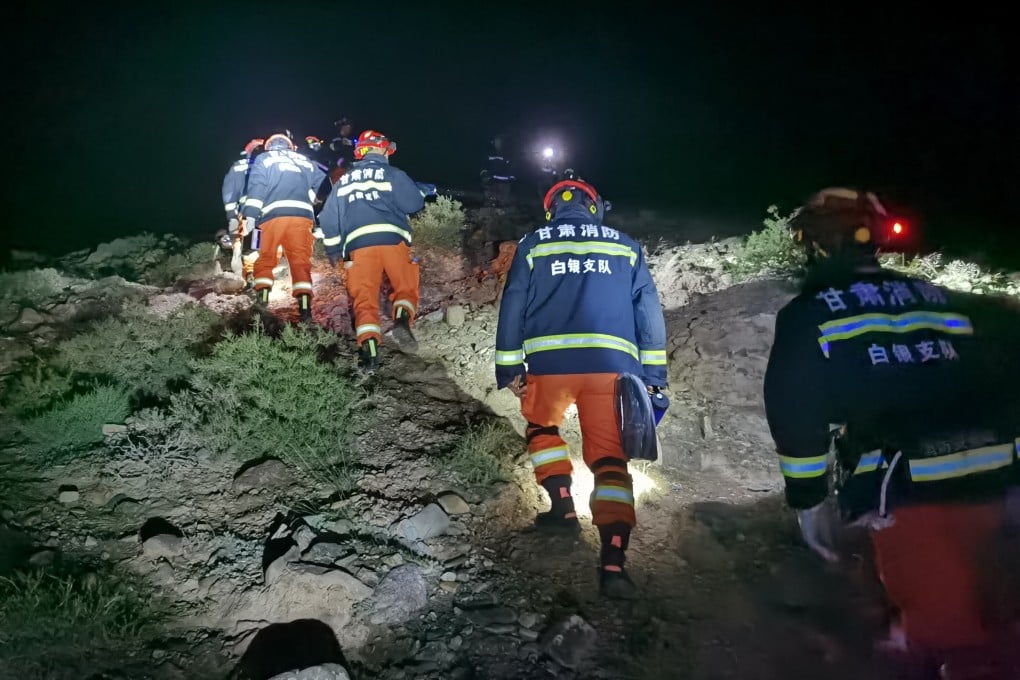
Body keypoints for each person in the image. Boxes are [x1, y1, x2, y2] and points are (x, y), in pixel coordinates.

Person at [763, 187, 1020, 678]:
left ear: (815, 243)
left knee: (949, 636)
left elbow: (796, 417)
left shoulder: (808, 315)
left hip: (913, 487)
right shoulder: (939, 298)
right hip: (1003, 475)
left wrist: (809, 500)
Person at [494, 175, 668, 600]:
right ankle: (613, 558)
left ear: (551, 209)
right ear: (595, 206)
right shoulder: (625, 245)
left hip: (550, 366)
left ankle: (563, 506)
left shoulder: (534, 243)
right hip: (612, 368)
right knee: (611, 459)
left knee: (542, 430)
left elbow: (514, 301)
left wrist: (509, 366)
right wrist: (655, 377)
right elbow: (648, 312)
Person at [317, 129, 434, 371]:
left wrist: (332, 250)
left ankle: (369, 352)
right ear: (381, 148)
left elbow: (328, 218)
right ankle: (401, 319)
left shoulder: (344, 180)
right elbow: (413, 204)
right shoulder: (392, 173)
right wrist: (420, 190)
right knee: (405, 286)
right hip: (393, 241)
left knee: (364, 297)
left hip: (359, 248)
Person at [238, 132, 327, 323]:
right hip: (302, 216)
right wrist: (313, 198)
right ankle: (304, 308)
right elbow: (323, 183)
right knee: (300, 261)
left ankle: (262, 302)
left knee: (266, 257)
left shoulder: (264, 158)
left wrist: (250, 216)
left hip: (271, 216)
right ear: (290, 146)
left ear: (269, 146)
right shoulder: (304, 160)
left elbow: (257, 188)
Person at [220, 138, 264, 285]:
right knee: (255, 244)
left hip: (240, 212)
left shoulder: (237, 166)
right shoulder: (267, 167)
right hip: (260, 213)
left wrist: (231, 215)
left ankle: (241, 277)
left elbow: (228, 191)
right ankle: (253, 277)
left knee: (239, 246)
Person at [480, 135, 515, 206]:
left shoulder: (507, 154)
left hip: (504, 184)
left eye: (499, 142)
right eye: (496, 141)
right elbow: (484, 167)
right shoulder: (489, 153)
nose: (497, 143)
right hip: (491, 183)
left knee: (502, 204)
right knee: (489, 202)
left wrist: (508, 179)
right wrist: (484, 177)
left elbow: (511, 171)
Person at [328, 117, 357, 184]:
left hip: (351, 167)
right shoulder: (335, 138)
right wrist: (341, 143)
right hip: (336, 167)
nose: (346, 129)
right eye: (345, 127)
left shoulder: (353, 138)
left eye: (348, 127)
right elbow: (332, 147)